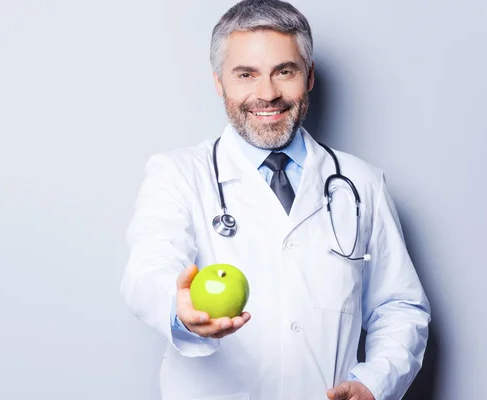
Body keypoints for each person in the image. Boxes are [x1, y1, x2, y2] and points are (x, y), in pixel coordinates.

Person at [120, 0, 431, 399]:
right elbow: (148, 269)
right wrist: (179, 310)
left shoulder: (361, 183)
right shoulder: (178, 174)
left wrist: (374, 384)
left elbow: (399, 307)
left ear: (309, 76)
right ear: (219, 82)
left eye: (284, 71)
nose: (267, 94)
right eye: (246, 74)